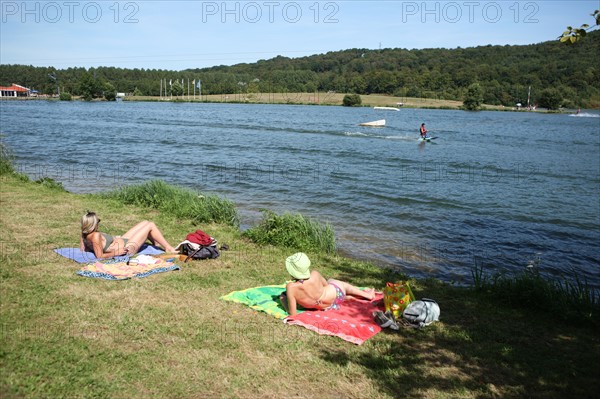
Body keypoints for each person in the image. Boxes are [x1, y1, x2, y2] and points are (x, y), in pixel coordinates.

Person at [280, 252, 375, 317]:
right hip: (337, 296)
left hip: (328, 306)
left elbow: (293, 314)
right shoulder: (315, 274)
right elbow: (325, 286)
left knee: (331, 283)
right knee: (332, 282)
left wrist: (283, 300)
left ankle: (363, 296)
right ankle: (366, 295)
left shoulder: (291, 288)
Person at [79, 211, 176, 259]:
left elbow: (84, 250)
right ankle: (168, 248)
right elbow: (99, 256)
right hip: (127, 248)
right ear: (93, 224)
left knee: (145, 222)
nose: (99, 223)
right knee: (150, 225)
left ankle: (156, 242)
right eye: (98, 221)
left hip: (123, 240)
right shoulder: (95, 236)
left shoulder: (85, 235)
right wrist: (117, 252)